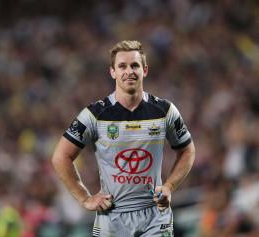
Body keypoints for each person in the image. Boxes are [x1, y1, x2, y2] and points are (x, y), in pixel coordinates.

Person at [52, 40, 195, 237]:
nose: (129, 71)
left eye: (135, 65)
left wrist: (169, 186)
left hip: (155, 214)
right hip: (112, 216)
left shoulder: (165, 110)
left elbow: (187, 150)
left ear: (145, 70)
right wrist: (84, 198)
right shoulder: (94, 115)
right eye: (122, 66)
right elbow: (61, 156)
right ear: (113, 72)